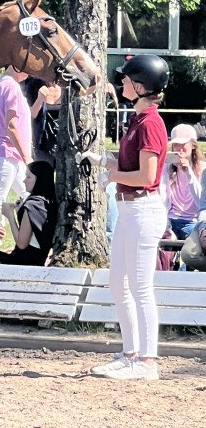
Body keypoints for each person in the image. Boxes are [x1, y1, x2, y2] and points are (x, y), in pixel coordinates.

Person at [83, 54, 169, 380]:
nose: (121, 83)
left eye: (126, 80)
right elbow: (131, 165)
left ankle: (147, 362)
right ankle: (130, 353)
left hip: (143, 210)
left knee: (140, 287)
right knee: (117, 283)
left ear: (140, 85)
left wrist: (114, 173)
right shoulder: (138, 120)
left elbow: (146, 176)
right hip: (130, 210)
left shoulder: (150, 124)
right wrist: (106, 161)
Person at [0, 66, 33, 245]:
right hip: (7, 152)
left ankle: (31, 237)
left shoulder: (0, 83)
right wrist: (27, 156)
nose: (30, 72)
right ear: (15, 66)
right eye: (27, 68)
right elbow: (11, 125)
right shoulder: (11, 86)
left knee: (30, 196)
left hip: (9, 154)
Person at [159, 124, 205, 240]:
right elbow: (162, 197)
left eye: (183, 144)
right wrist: (164, 225)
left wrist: (188, 172)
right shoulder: (167, 168)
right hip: (170, 221)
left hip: (193, 222)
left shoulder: (203, 168)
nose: (179, 148)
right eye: (176, 144)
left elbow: (201, 201)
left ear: (193, 145)